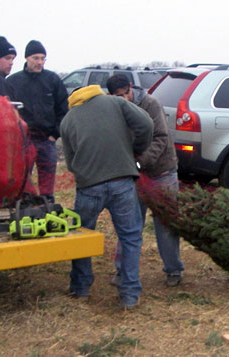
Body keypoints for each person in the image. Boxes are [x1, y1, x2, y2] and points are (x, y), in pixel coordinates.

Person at [60, 85, 153, 308]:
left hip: (89, 185)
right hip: (122, 180)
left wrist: (84, 172)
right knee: (130, 236)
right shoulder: (117, 103)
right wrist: (136, 149)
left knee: (81, 237)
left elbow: (71, 162)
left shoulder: (68, 120)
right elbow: (147, 124)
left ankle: (80, 289)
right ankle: (129, 295)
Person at [106, 74, 184, 287]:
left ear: (131, 87)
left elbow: (161, 138)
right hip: (132, 175)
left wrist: (140, 162)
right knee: (129, 224)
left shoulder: (150, 104)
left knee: (165, 224)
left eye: (126, 93)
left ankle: (173, 269)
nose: (125, 99)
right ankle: (122, 270)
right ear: (111, 96)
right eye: (119, 96)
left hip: (162, 172)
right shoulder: (112, 110)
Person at [6, 40, 68, 202]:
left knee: (47, 184)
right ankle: (23, 206)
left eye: (43, 58)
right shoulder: (13, 82)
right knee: (22, 181)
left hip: (47, 140)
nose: (39, 62)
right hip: (24, 141)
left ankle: (47, 205)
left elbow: (63, 109)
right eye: (36, 58)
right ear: (27, 58)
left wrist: (55, 134)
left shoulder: (53, 80)